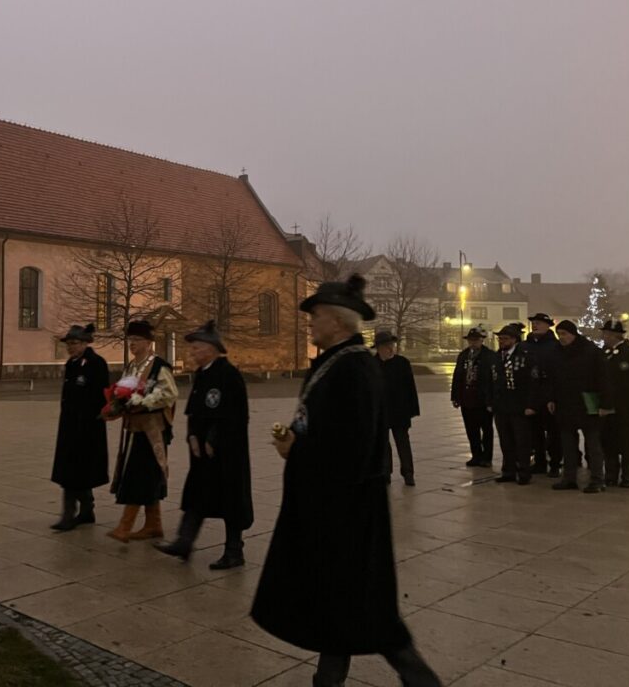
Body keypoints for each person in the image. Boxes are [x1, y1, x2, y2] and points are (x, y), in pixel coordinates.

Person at [251, 275, 441, 687]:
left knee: (363, 605)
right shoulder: (336, 361)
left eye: (316, 315)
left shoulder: (355, 368)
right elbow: (325, 423)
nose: (310, 322)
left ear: (337, 321)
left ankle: (420, 678)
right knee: (341, 601)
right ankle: (330, 677)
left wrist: (298, 449)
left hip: (347, 509)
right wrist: (296, 437)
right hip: (332, 504)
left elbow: (353, 444)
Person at [156, 321, 253, 569]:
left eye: (196, 347)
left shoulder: (229, 375)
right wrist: (192, 436)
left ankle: (234, 551)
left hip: (226, 452)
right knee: (197, 494)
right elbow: (195, 411)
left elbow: (234, 414)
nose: (192, 352)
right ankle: (184, 542)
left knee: (230, 499)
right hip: (201, 453)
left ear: (211, 349)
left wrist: (213, 439)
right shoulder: (202, 375)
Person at [106, 320, 178, 543]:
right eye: (130, 340)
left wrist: (144, 402)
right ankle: (154, 525)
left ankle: (124, 526)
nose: (132, 344)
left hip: (152, 429)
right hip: (134, 427)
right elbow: (123, 390)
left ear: (148, 342)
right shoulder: (131, 366)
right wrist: (118, 404)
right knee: (147, 476)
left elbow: (169, 393)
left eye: (137, 340)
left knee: (138, 475)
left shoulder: (159, 366)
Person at [50, 323, 110, 530]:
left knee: (77, 471)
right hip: (69, 425)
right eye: (68, 344)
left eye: (74, 343)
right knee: (72, 469)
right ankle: (85, 511)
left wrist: (91, 417)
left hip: (88, 427)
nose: (70, 347)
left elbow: (102, 395)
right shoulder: (72, 364)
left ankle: (70, 514)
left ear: (85, 343)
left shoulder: (96, 363)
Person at [550, 320, 612, 494]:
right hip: (565, 404)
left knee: (593, 444)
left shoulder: (591, 351)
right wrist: (552, 398)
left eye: (564, 334)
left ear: (573, 334)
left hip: (587, 403)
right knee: (568, 445)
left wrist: (605, 404)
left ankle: (597, 480)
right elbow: (554, 378)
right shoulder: (558, 352)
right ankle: (569, 478)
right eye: (559, 334)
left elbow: (603, 378)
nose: (561, 338)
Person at [489, 324, 542, 485]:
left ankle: (524, 471)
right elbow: (491, 381)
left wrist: (531, 405)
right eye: (500, 339)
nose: (501, 342)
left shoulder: (525, 356)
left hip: (519, 405)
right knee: (506, 441)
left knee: (522, 441)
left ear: (514, 340)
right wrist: (491, 402)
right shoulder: (497, 356)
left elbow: (534, 382)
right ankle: (508, 471)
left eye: (505, 339)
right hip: (501, 406)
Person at [373, 330, 420, 487]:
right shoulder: (372, 364)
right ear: (379, 348)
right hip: (381, 412)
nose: (390, 348)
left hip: (400, 411)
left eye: (391, 345)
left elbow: (410, 388)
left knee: (403, 442)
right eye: (387, 346)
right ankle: (385, 473)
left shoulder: (402, 363)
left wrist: (412, 410)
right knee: (383, 444)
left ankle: (408, 473)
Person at [599, 320, 629, 488]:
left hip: (626, 406)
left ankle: (628, 476)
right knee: (609, 442)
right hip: (607, 406)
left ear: (615, 335)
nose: (604, 336)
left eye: (606, 333)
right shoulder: (604, 352)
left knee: (627, 442)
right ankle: (611, 475)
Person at [522, 313, 562, 477]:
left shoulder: (555, 346)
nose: (535, 325)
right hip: (531, 395)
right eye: (533, 323)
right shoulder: (525, 345)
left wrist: (553, 396)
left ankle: (555, 464)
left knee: (553, 432)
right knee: (535, 432)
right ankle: (539, 462)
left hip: (548, 394)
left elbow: (558, 373)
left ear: (548, 325)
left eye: (538, 323)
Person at [451, 326, 496, 468]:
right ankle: (476, 455)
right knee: (471, 429)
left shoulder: (489, 356)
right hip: (467, 398)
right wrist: (455, 396)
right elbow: (457, 376)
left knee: (486, 429)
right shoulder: (464, 355)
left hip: (482, 399)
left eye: (476, 340)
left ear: (482, 340)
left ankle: (486, 457)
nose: (473, 343)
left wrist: (491, 400)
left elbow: (493, 379)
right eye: (471, 340)